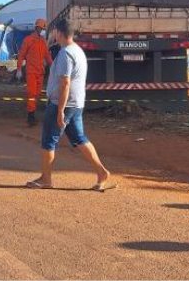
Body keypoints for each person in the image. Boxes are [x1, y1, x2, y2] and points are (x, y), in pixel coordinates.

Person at [26, 18, 116, 192]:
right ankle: (102, 172)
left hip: (63, 104)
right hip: (76, 104)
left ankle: (46, 179)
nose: (52, 35)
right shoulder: (78, 51)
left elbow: (65, 83)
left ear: (59, 33)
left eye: (53, 32)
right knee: (80, 138)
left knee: (48, 141)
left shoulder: (65, 53)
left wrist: (60, 110)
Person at [16, 18, 53, 126]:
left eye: (42, 29)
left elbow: (47, 56)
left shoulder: (42, 41)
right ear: (36, 27)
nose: (40, 30)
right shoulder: (28, 40)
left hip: (40, 72)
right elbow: (21, 55)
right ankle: (30, 117)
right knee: (32, 94)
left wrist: (54, 67)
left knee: (36, 95)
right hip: (31, 72)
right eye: (40, 28)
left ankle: (32, 114)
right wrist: (19, 69)